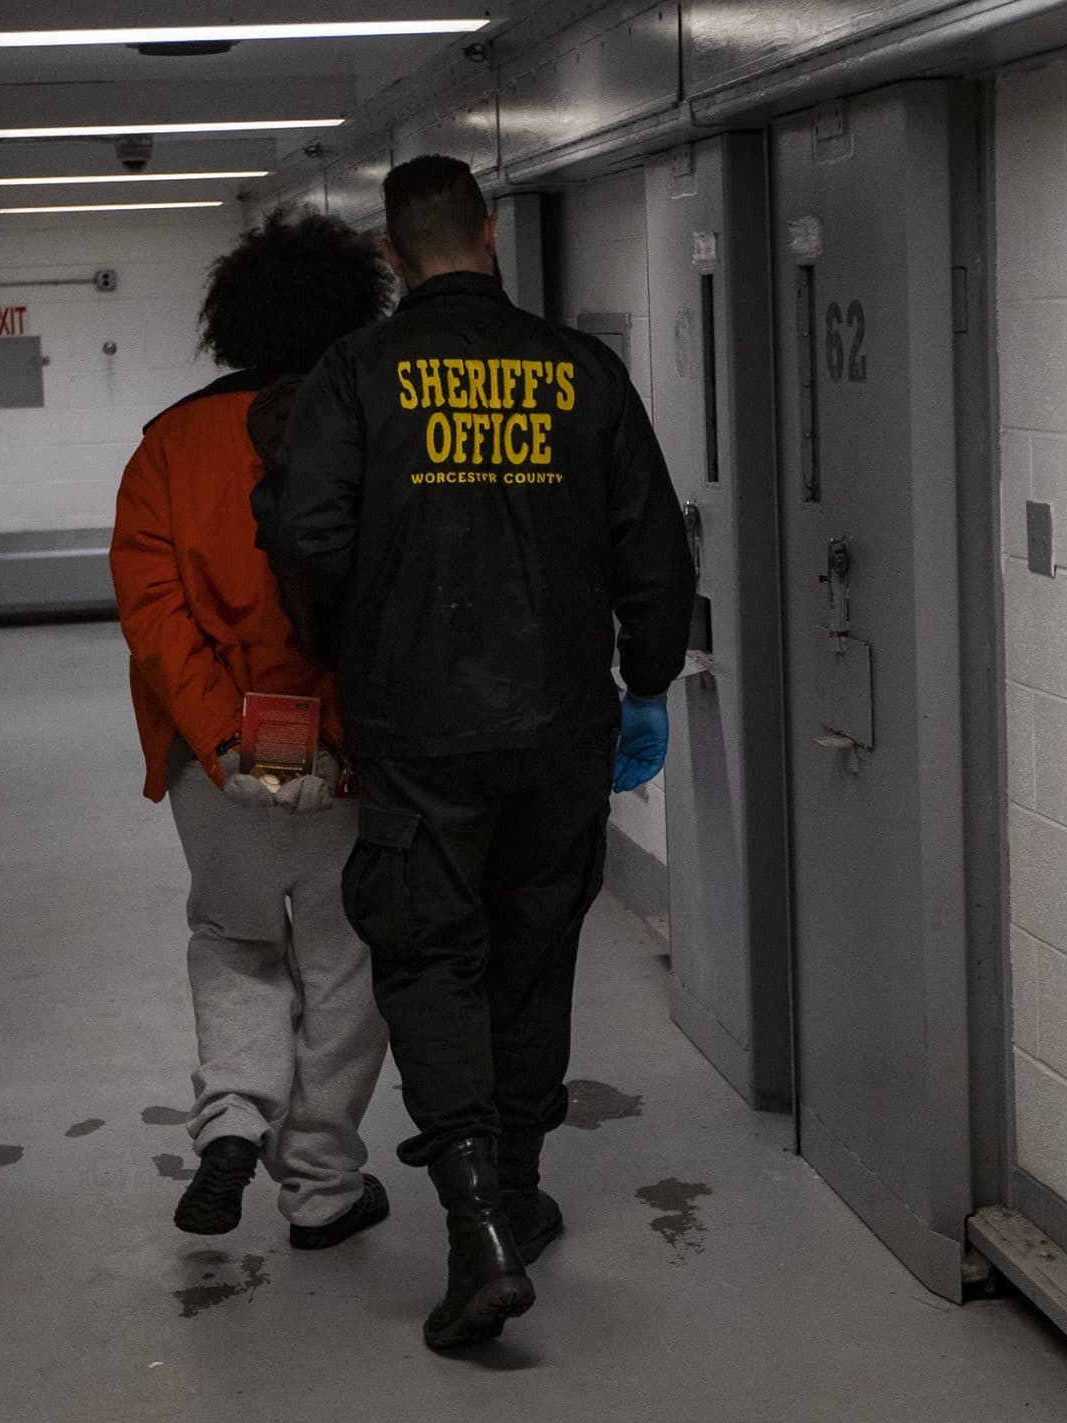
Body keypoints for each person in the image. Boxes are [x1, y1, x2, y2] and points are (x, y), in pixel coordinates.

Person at [258, 155, 695, 1349]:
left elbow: (305, 530)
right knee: (534, 946)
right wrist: (644, 678)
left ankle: (476, 1235)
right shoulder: (582, 372)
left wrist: (351, 634)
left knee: (428, 955)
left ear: (393, 256)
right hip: (560, 721)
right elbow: (652, 546)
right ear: (489, 236)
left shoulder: (357, 374)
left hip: (418, 727)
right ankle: (516, 1186)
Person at [110, 210, 395, 1249]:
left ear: (229, 323)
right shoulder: (372, 427)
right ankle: (319, 1181)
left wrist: (225, 734)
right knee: (342, 960)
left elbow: (153, 614)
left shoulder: (168, 447)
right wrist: (340, 729)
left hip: (216, 761)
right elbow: (383, 594)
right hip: (349, 749)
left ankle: (233, 1117)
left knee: (234, 940)